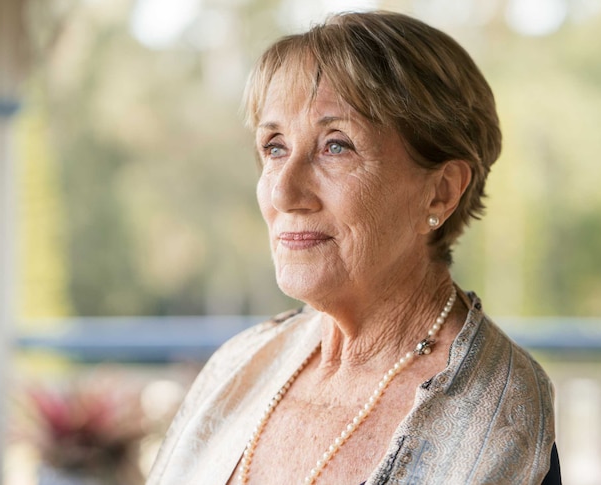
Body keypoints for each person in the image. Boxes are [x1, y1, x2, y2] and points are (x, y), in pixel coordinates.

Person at [147, 10, 559, 485]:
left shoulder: (496, 418)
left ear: (442, 191)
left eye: (336, 145)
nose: (283, 192)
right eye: (275, 146)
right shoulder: (236, 366)